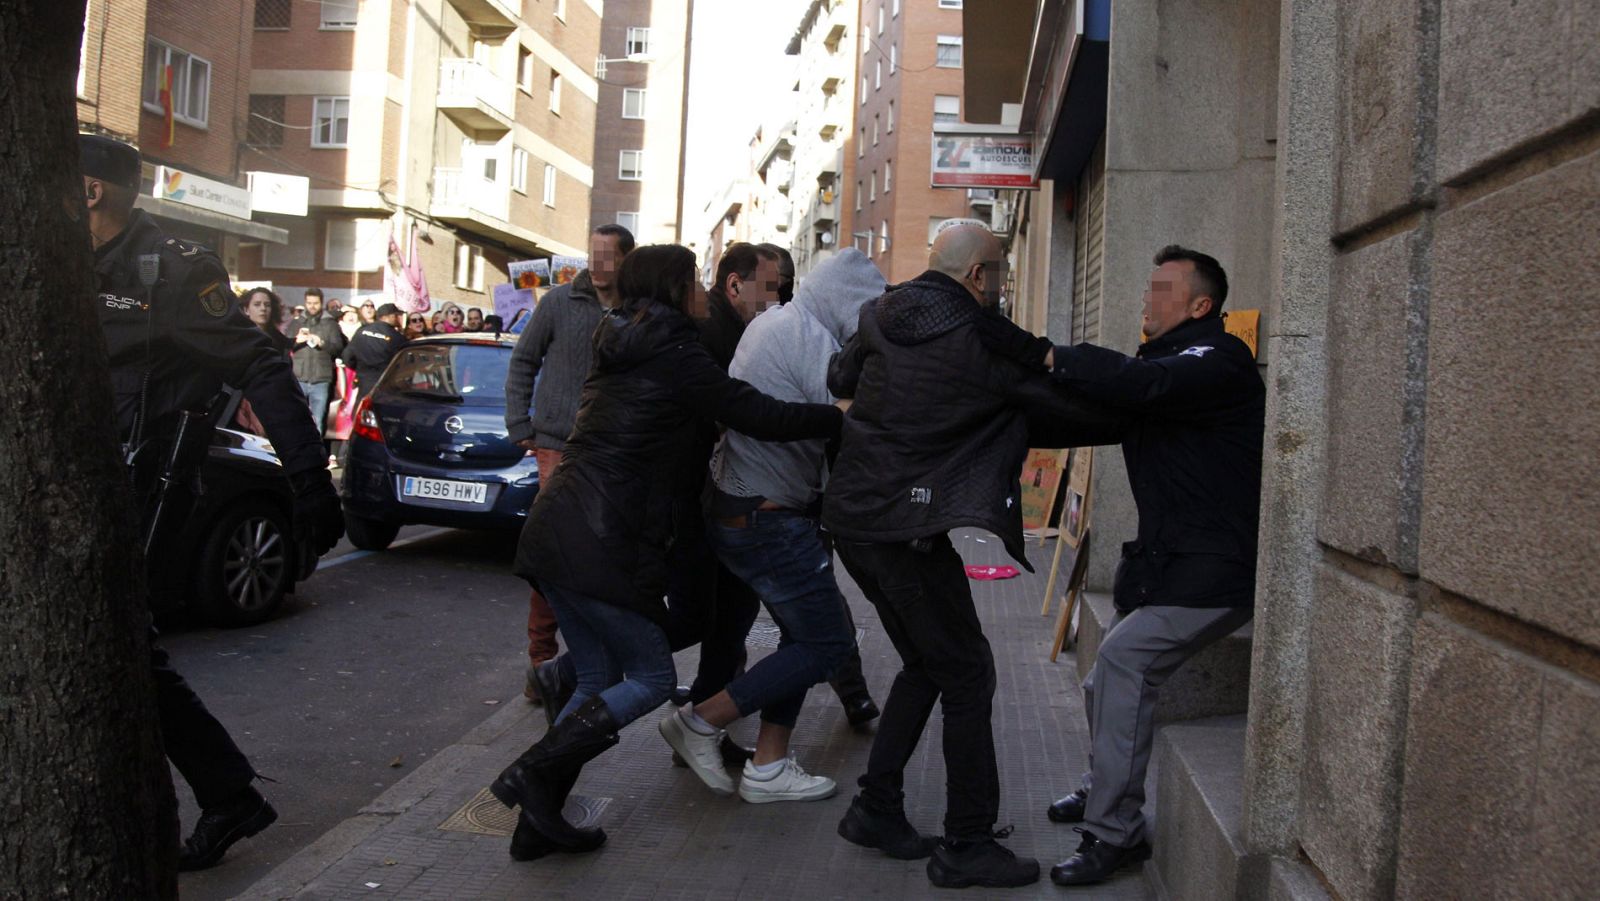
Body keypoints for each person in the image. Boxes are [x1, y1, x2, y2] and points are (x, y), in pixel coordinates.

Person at [494, 244, 843, 860]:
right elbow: (746, 410)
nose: (706, 292)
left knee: (600, 675)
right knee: (651, 676)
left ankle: (536, 819)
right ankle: (529, 772)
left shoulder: (625, 333)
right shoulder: (675, 348)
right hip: (598, 532)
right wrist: (834, 418)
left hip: (561, 523)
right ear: (676, 287)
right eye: (696, 282)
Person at [822, 224, 1123, 889]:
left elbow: (838, 374)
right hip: (902, 530)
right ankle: (966, 842)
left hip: (855, 520)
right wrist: (1150, 408)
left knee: (930, 663)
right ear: (979, 275)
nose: (1005, 286)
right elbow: (1059, 409)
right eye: (1002, 274)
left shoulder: (880, 312)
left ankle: (876, 806)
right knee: (966, 672)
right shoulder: (978, 339)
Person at [81, 134, 344, 871]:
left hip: (143, 485)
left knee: (121, 643)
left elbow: (260, 363)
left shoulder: (168, 268)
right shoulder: (59, 258)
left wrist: (307, 481)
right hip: (77, 479)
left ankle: (222, 791)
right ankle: (225, 790)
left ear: (92, 191)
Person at [1026, 246, 1264, 887]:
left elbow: (1144, 386)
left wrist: (1051, 355)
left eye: (1162, 288)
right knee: (1108, 679)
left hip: (1217, 571)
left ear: (1199, 305)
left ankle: (1115, 832)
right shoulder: (1159, 370)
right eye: (1148, 285)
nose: (1146, 296)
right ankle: (1103, 787)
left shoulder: (1219, 360)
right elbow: (1102, 405)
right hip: (1174, 564)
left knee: (1125, 662)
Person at [662, 248, 887, 805]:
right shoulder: (808, 337)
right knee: (828, 642)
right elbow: (848, 421)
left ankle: (768, 766)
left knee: (801, 633)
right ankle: (699, 723)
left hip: (750, 510)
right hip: (766, 519)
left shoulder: (783, 322)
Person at [506, 225, 634, 704]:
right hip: (557, 445)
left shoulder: (635, 308)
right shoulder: (559, 301)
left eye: (608, 256)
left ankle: (583, 663)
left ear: (625, 260)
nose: (599, 264)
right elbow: (523, 361)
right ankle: (541, 661)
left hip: (611, 449)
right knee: (554, 552)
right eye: (593, 255)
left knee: (600, 556)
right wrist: (520, 423)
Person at [286, 287, 346, 450]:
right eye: (309, 303)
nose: (312, 306)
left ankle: (314, 455)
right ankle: (295, 451)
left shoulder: (330, 323)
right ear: (305, 303)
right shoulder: (297, 322)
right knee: (296, 419)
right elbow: (285, 344)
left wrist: (322, 343)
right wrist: (296, 341)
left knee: (318, 421)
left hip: (321, 379)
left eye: (315, 303)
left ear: (321, 303)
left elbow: (339, 348)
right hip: (298, 377)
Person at [341, 302, 408, 393]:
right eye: (397, 315)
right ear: (390, 316)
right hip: (384, 385)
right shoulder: (397, 337)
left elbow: (347, 356)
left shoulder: (362, 330)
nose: (398, 318)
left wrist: (360, 370)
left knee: (361, 406)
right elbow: (404, 363)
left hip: (363, 382)